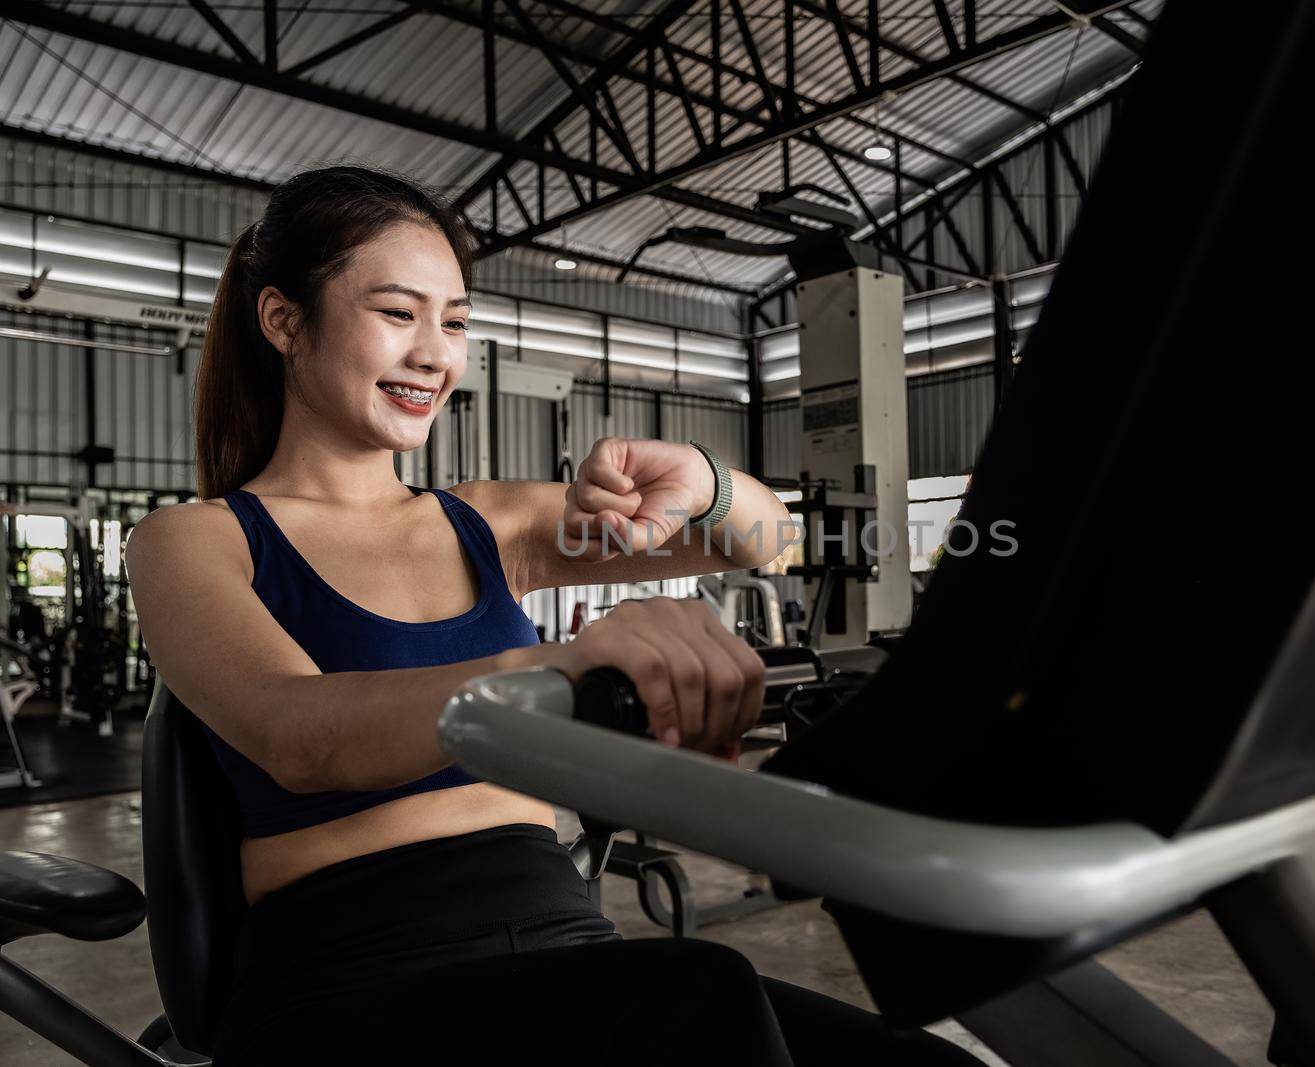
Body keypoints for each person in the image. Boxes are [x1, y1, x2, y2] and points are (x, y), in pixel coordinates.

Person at [123, 165, 978, 1066]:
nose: (435, 354)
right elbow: (302, 737)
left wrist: (706, 476)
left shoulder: (489, 523)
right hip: (350, 983)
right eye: (396, 312)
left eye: (453, 320)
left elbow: (757, 541)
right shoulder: (194, 539)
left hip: (563, 947)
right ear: (283, 320)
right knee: (698, 998)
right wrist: (561, 669)